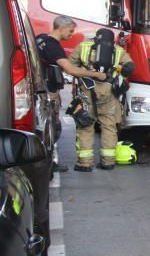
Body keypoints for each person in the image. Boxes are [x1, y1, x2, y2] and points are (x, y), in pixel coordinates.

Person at [35, 16, 109, 145]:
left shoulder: (40, 38)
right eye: (70, 31)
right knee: (51, 125)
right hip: (49, 91)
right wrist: (96, 74)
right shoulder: (53, 46)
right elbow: (71, 70)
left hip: (39, 88)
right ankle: (50, 156)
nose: (72, 34)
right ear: (62, 28)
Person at [69, 29, 134, 171]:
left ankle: (84, 164)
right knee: (109, 127)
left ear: (95, 38)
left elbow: (70, 65)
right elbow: (130, 68)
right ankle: (108, 162)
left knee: (85, 126)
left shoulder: (83, 47)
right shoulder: (118, 50)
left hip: (87, 90)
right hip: (109, 92)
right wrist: (118, 70)